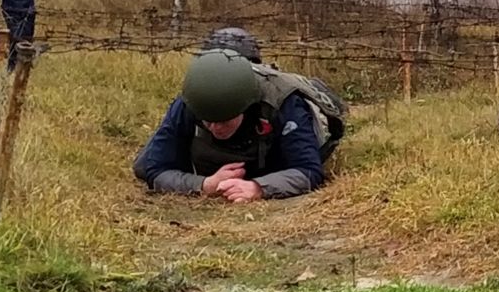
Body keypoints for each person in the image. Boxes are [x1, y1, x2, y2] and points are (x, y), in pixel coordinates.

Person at [133, 48, 346, 201]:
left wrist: (258, 187)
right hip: (210, 175)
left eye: (225, 121)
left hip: (276, 157)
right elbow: (155, 169)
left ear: (246, 107)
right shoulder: (189, 103)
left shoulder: (283, 102)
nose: (216, 129)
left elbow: (308, 170)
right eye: (208, 121)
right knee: (141, 164)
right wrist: (205, 185)